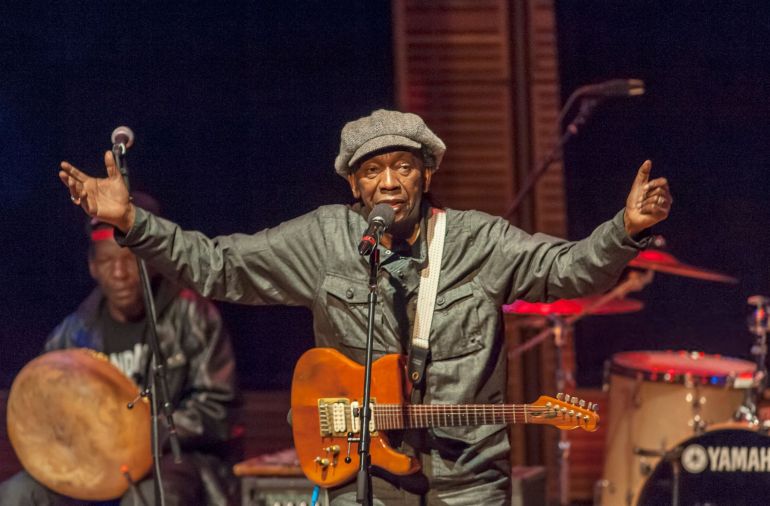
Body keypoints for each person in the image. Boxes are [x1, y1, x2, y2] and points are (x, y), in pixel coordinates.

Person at [58, 109, 672, 505]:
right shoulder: (323, 240)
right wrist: (134, 223)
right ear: (353, 184)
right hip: (366, 476)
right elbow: (219, 264)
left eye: (404, 165)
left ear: (425, 175)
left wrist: (624, 230)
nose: (388, 181)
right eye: (372, 170)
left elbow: (566, 269)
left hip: (468, 479)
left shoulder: (477, 241)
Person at [0, 193, 239, 506]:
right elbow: (47, 412)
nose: (119, 273)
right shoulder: (72, 334)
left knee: (147, 498)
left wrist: (142, 433)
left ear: (151, 262)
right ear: (93, 266)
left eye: (130, 260)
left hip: (168, 460)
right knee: (17, 495)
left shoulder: (191, 316)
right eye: (107, 261)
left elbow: (217, 410)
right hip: (91, 465)